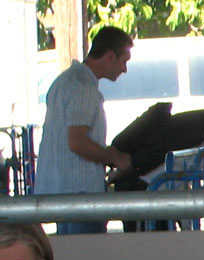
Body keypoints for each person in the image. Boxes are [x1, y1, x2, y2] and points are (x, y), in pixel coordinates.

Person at [34, 26, 133, 233]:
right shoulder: (84, 88)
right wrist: (114, 159)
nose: (124, 69)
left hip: (64, 190)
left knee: (71, 256)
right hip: (81, 192)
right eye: (123, 61)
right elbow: (77, 141)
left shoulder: (65, 80)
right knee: (87, 258)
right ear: (109, 56)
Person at [108, 77, 204, 193]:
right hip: (143, 192)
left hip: (155, 194)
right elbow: (153, 153)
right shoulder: (195, 127)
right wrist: (126, 169)